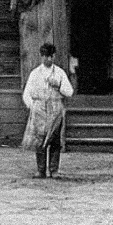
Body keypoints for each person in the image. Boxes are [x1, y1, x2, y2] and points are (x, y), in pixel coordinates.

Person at [21, 43, 74, 179]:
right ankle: (41, 170)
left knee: (55, 140)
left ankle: (54, 170)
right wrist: (33, 107)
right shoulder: (35, 73)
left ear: (54, 56)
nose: (48, 59)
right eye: (45, 56)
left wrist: (58, 85)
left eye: (51, 56)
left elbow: (69, 92)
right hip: (39, 109)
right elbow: (27, 93)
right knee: (40, 140)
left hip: (55, 108)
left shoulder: (60, 73)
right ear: (41, 56)